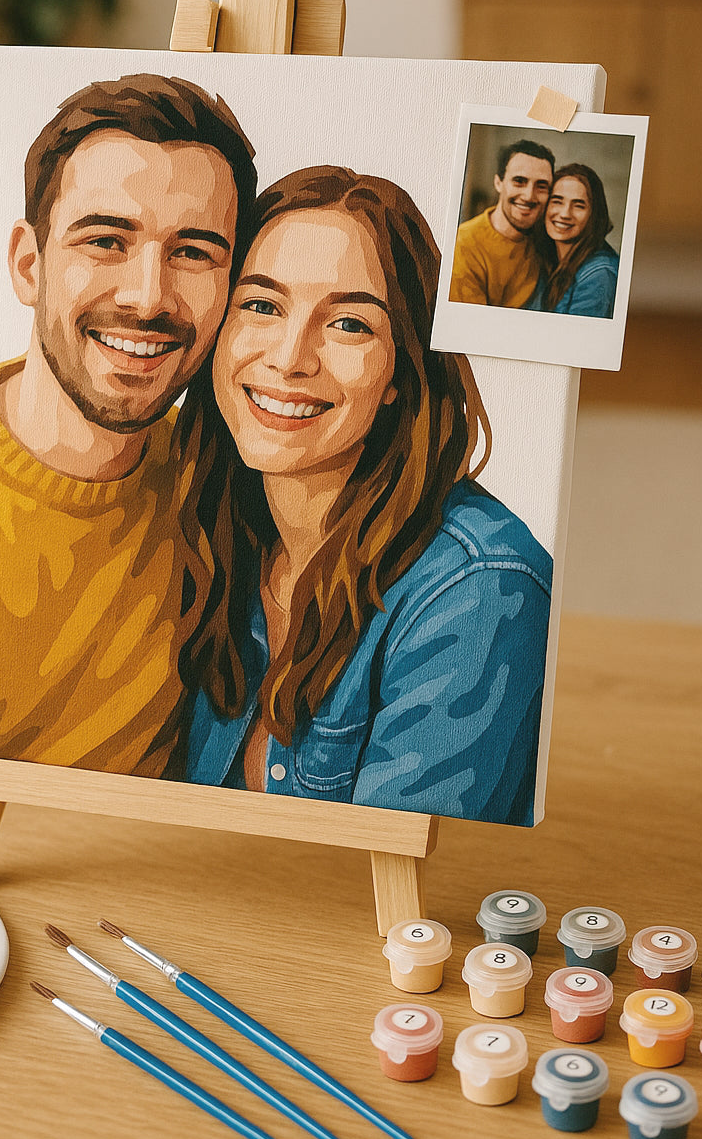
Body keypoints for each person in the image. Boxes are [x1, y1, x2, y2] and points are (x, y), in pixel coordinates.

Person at [0, 73, 258, 772]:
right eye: (106, 240)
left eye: (194, 251)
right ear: (28, 264)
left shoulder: (226, 480)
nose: (148, 297)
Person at [178, 167, 552, 825]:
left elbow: (395, 893)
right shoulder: (217, 537)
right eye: (261, 305)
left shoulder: (481, 587)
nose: (290, 357)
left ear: (399, 373)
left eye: (349, 323)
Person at [449, 138, 554, 307]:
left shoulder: (547, 237)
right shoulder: (464, 245)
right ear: (498, 183)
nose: (529, 196)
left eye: (541, 186)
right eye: (519, 181)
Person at [528, 163, 619, 318]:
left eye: (578, 205)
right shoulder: (547, 259)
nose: (565, 214)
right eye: (557, 201)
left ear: (594, 215)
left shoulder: (599, 275)